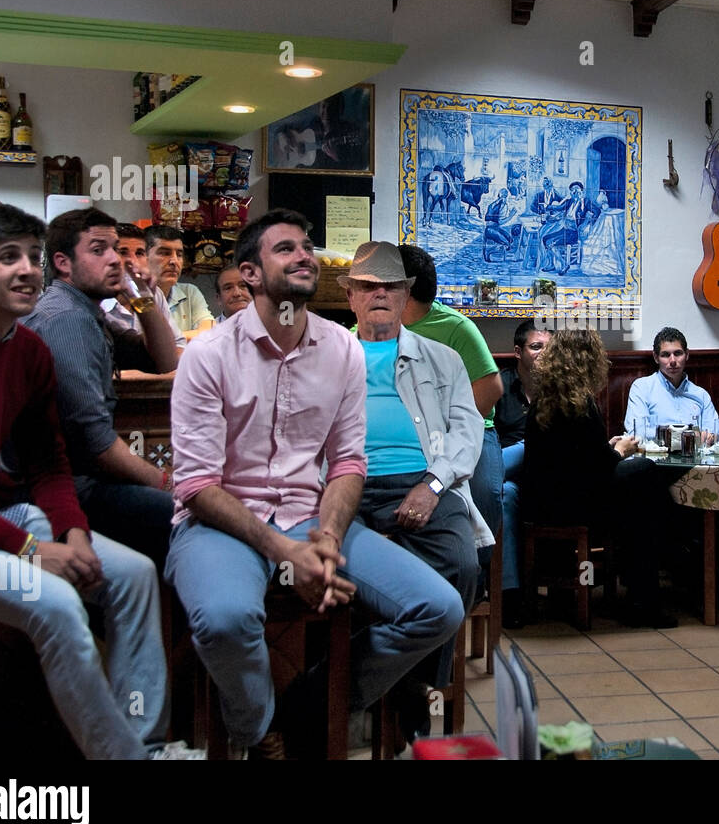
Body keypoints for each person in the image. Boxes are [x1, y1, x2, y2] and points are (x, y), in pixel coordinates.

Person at [166, 210, 463, 758]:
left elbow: (348, 462)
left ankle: (307, 707)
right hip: (219, 523)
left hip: (309, 516)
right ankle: (257, 732)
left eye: (307, 246)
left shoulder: (340, 348)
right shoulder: (208, 354)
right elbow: (196, 485)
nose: (305, 255)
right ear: (250, 273)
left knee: (438, 607)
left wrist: (325, 535)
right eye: (286, 249)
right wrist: (286, 552)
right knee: (228, 619)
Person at [0, 205, 198, 759]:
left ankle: (147, 741)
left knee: (134, 575)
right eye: (9, 258)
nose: (28, 270)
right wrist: (33, 549)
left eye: (32, 257)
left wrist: (73, 533)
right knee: (57, 603)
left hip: (10, 514)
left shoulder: (28, 348)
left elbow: (50, 466)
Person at [341, 240, 487, 739]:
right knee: (330, 569)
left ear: (406, 297)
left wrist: (432, 484)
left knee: (463, 564)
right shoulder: (326, 357)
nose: (380, 294)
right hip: (348, 483)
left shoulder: (441, 358)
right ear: (351, 298)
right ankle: (393, 690)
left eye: (391, 286)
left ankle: (410, 684)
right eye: (368, 286)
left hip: (425, 478)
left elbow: (468, 432)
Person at [23, 209, 179, 570]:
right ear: (62, 262)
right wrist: (167, 483)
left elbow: (163, 360)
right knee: (191, 514)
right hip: (70, 492)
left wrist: (142, 299)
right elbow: (96, 444)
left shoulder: (85, 311)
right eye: (99, 250)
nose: (116, 260)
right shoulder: (66, 320)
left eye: (116, 249)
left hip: (83, 483)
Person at [522, 329, 676, 628]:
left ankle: (638, 588)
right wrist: (620, 450)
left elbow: (575, 458)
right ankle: (643, 597)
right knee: (644, 479)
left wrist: (608, 449)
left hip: (544, 502)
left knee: (639, 491)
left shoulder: (547, 399)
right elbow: (596, 469)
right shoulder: (579, 402)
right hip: (570, 507)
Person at [398, 244, 504, 580]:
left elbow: (490, 391)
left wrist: (453, 431)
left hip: (472, 431)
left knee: (484, 490)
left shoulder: (456, 327)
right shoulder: (374, 331)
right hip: (410, 435)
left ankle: (480, 572)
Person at [493, 319, 550, 626]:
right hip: (507, 473)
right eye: (536, 347)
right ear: (518, 352)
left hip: (550, 474)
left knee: (540, 446)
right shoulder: (499, 386)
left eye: (549, 348)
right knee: (505, 492)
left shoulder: (561, 390)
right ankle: (510, 595)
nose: (544, 354)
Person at [624, 326, 719, 441]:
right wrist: (690, 436)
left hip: (694, 457)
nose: (673, 361)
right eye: (665, 355)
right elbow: (638, 434)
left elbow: (717, 435)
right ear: (656, 357)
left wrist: (711, 437)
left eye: (678, 353)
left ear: (687, 355)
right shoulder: (642, 388)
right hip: (654, 458)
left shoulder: (701, 395)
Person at [100, 222, 185, 351]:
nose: (133, 261)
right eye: (123, 252)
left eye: (139, 253)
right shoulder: (95, 301)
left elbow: (177, 346)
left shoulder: (153, 294)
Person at [145, 225, 213, 338]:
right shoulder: (134, 296)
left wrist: (163, 340)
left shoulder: (189, 292)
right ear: (143, 256)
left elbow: (209, 332)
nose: (174, 261)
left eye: (179, 255)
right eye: (164, 253)